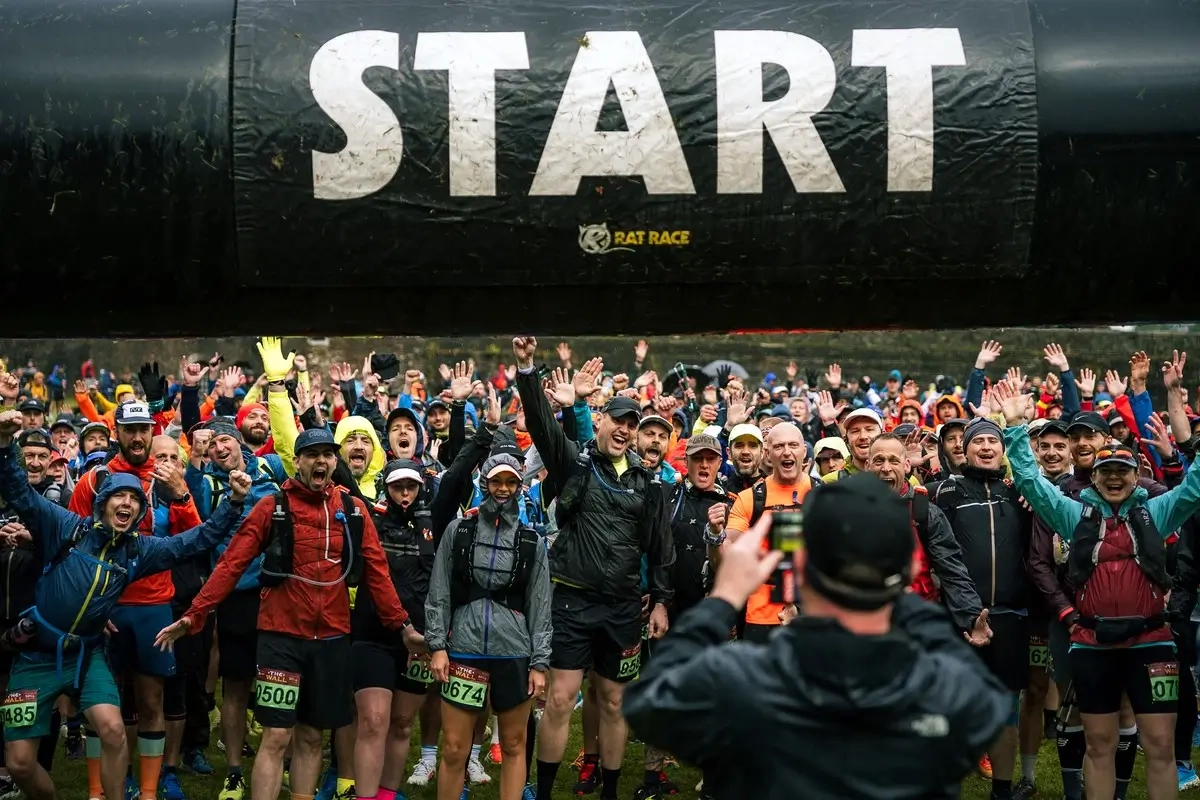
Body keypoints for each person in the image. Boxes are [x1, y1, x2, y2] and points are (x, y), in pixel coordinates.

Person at [622, 473, 1013, 799]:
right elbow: (987, 697)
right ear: (910, 568)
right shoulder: (946, 690)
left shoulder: (743, 681)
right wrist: (900, 593)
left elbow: (650, 700)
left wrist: (725, 596)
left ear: (800, 564)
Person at [154, 428, 427, 800]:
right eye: (312, 454)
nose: (320, 461)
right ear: (297, 461)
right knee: (277, 735)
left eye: (327, 454)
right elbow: (232, 564)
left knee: (312, 736)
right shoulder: (273, 506)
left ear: (334, 461)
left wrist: (403, 627)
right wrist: (195, 614)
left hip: (332, 639)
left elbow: (377, 573)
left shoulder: (353, 509)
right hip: (280, 638)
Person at [0, 408, 249, 800]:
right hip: (36, 654)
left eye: (135, 500)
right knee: (18, 763)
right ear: (102, 503)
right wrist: (3, 444)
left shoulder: (138, 550)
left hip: (88, 653)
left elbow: (197, 540)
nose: (127, 504)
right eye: (119, 496)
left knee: (114, 729)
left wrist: (233, 502)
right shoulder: (66, 526)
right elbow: (19, 493)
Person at [996, 380, 1200, 800]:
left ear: (1135, 476)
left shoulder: (1157, 511)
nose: (1114, 479)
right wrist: (1015, 427)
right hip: (1093, 644)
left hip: (1152, 643)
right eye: (1106, 472)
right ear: (1095, 477)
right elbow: (1031, 482)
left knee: (1160, 746)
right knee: (1099, 744)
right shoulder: (1075, 515)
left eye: (1122, 472)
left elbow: (1194, 488)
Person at [511, 337, 672, 800]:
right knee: (561, 698)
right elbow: (541, 427)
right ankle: (545, 792)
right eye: (619, 420)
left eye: (632, 425)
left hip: (622, 606)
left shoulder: (648, 482)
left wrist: (661, 601)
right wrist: (528, 370)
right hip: (572, 600)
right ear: (601, 421)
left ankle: (611, 792)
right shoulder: (576, 464)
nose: (625, 429)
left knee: (616, 702)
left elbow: (660, 547)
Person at [425, 451, 552, 800]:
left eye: (511, 482)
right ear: (485, 483)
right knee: (454, 747)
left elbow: (541, 605)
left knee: (513, 744)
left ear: (520, 486)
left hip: (514, 652)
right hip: (463, 649)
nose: (503, 489)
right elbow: (439, 591)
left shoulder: (532, 541)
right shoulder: (458, 531)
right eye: (497, 481)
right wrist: (437, 646)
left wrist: (540, 663)